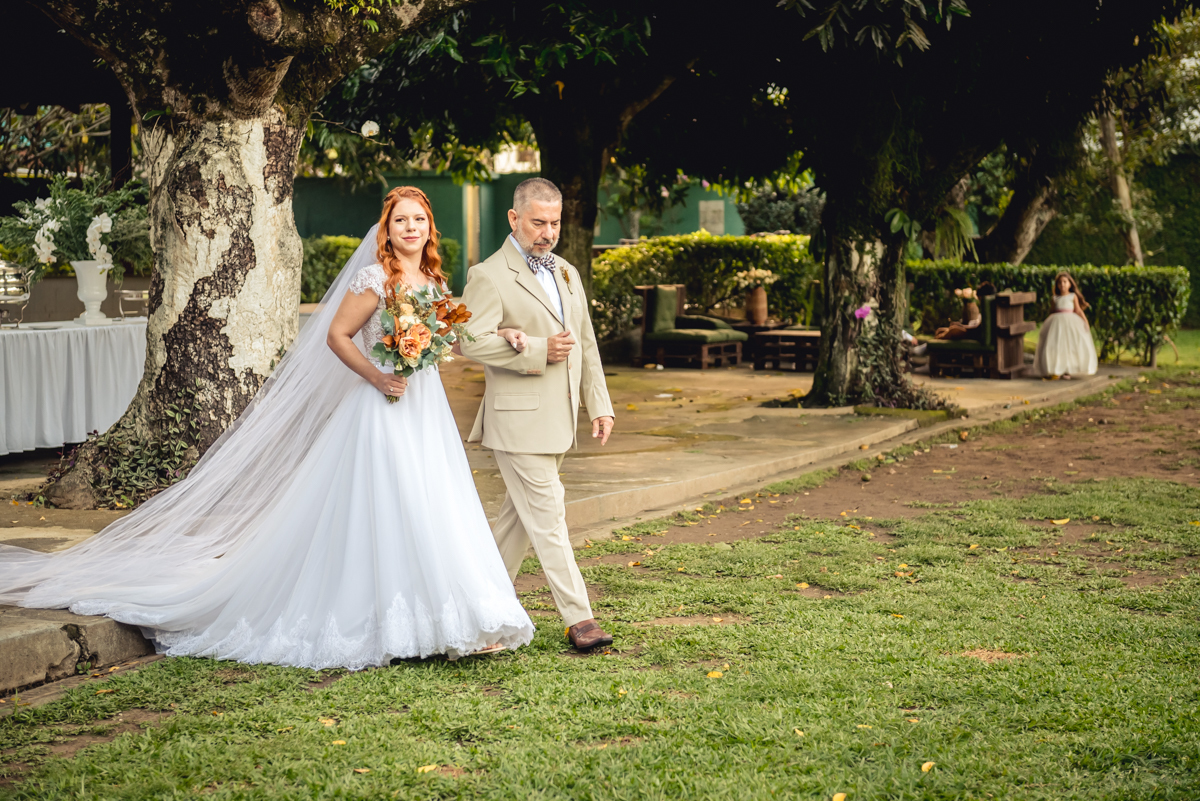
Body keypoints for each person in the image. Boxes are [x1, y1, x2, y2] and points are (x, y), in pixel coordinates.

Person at [0, 187, 534, 668]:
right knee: (394, 501)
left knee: (432, 500)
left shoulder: (433, 279)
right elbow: (337, 336)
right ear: (386, 229)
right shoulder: (375, 278)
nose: (410, 228)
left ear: (429, 228)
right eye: (401, 220)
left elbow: (452, 337)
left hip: (425, 408)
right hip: (382, 404)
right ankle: (388, 621)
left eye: (419, 219)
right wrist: (377, 376)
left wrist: (506, 333)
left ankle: (444, 616)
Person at [459, 178, 617, 652]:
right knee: (549, 516)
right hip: (518, 421)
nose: (548, 233)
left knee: (517, 522)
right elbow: (467, 340)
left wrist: (599, 403)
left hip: (560, 420)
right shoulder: (488, 274)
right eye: (538, 223)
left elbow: (585, 342)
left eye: (555, 223)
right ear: (514, 218)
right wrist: (536, 350)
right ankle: (580, 619)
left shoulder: (566, 271)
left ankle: (480, 612)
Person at [1034, 271, 1097, 379]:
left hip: (1070, 323)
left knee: (1070, 346)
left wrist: (1085, 321)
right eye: (1060, 282)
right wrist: (1048, 324)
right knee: (1056, 346)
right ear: (1057, 285)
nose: (1062, 284)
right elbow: (1052, 311)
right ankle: (1056, 369)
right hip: (1056, 324)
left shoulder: (1072, 296)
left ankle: (1068, 370)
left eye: (1065, 282)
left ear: (1070, 284)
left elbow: (1078, 310)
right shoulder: (1055, 298)